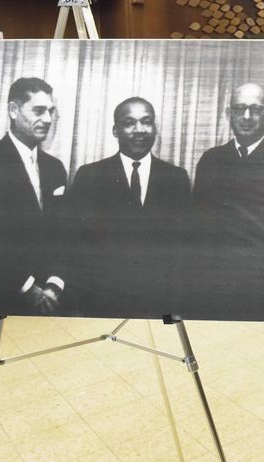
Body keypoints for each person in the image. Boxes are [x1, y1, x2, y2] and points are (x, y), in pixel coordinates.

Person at [68, 97, 191, 317]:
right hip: (101, 304)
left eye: (146, 121)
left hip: (160, 304)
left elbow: (183, 251)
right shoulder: (90, 176)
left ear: (155, 128)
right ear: (115, 131)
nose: (139, 130)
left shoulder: (177, 178)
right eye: (129, 123)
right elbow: (77, 247)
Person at [0, 77, 67, 316]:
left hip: (51, 297)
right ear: (14, 110)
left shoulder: (55, 168)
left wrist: (54, 284)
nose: (47, 119)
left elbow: (63, 233)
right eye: (39, 110)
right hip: (0, 295)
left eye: (51, 111)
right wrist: (27, 288)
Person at [193, 83, 264, 319]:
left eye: (255, 109)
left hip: (263, 271)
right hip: (216, 270)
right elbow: (199, 218)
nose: (246, 116)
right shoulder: (210, 159)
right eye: (240, 108)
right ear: (229, 114)